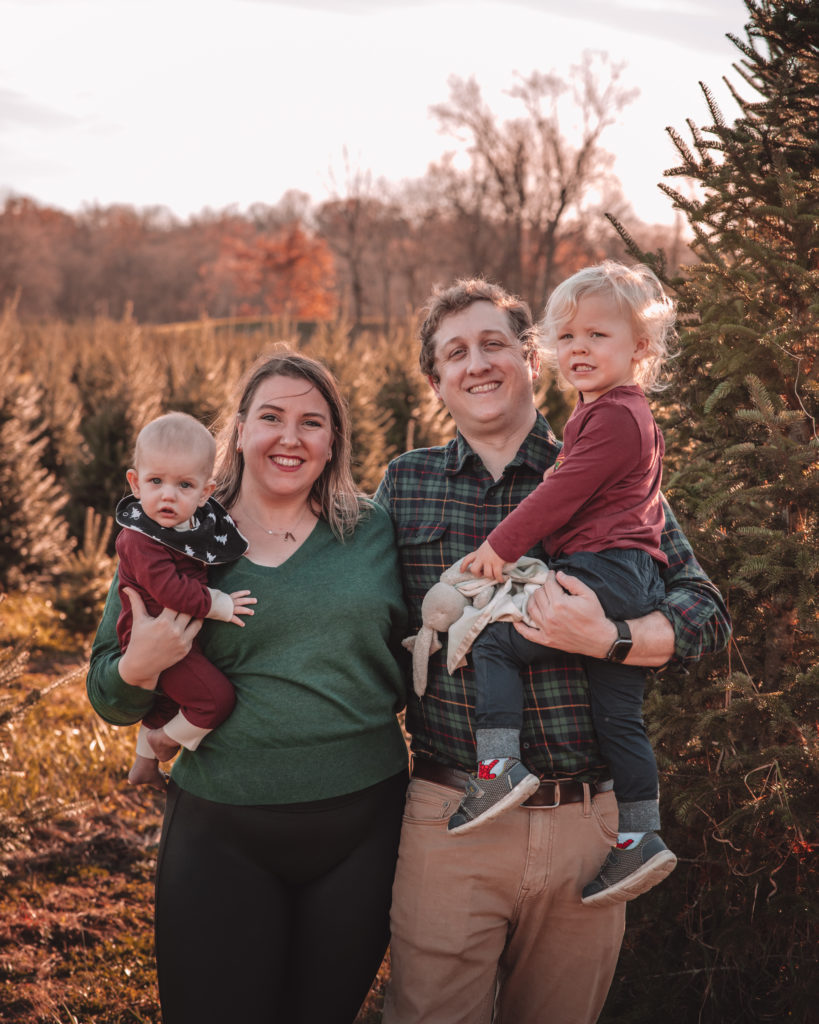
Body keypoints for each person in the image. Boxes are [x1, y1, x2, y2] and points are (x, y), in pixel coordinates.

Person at [374, 277, 731, 1024]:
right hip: (451, 819)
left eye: (495, 344)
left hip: (584, 830)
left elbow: (703, 611)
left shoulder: (605, 466)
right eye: (455, 352)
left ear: (530, 358)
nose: (477, 364)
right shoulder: (406, 485)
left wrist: (613, 639)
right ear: (434, 379)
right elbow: (352, 618)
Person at [87, 351, 409, 1024]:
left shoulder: (373, 529)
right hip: (221, 829)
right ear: (238, 430)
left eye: (311, 422)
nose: (289, 438)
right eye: (270, 417)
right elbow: (106, 692)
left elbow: (411, 659)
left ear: (333, 443)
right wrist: (141, 665)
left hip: (361, 828)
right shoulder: (173, 533)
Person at [450, 261, 677, 907]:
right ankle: (639, 835)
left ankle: (497, 766)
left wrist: (498, 549)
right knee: (618, 720)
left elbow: (561, 494)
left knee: (494, 640)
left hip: (601, 570)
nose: (577, 349)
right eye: (567, 337)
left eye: (596, 336)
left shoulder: (608, 417)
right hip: (629, 575)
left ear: (638, 348)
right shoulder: (619, 415)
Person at [115, 411, 255, 790]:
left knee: (164, 703)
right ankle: (164, 742)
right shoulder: (140, 538)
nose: (167, 495)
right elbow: (171, 591)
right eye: (156, 481)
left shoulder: (193, 525)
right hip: (155, 639)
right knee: (215, 699)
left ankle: (142, 766)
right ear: (135, 482)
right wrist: (220, 604)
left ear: (205, 493)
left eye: (184, 485)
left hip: (177, 635)